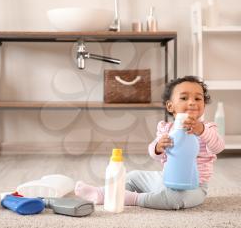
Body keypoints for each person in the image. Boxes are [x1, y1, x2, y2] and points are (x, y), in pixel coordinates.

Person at [75, 75, 225, 210]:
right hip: (166, 178)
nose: (192, 102)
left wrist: (201, 130)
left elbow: (218, 147)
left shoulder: (207, 128)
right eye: (184, 98)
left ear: (204, 105)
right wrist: (159, 147)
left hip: (194, 187)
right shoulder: (166, 128)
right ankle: (103, 192)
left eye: (198, 99)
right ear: (170, 106)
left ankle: (134, 198)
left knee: (176, 200)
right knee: (133, 176)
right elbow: (153, 153)